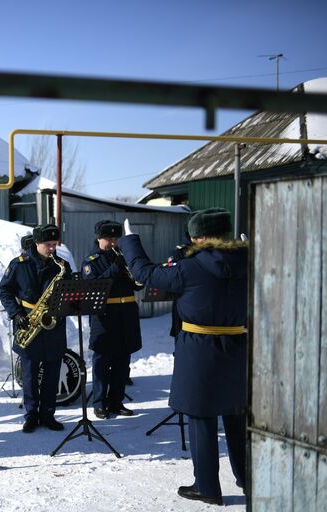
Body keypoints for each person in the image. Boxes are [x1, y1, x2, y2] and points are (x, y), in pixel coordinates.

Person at [118, 208, 246, 506]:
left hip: (200, 348)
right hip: (238, 345)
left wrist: (131, 240)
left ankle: (207, 487)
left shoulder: (189, 268)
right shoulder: (248, 260)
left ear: (198, 237)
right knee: (236, 416)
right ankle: (247, 477)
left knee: (201, 417)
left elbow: (144, 273)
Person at [0, 223, 72, 433]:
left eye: (54, 244)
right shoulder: (19, 264)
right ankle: (31, 415)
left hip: (53, 325)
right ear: (37, 243)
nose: (52, 249)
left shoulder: (62, 265)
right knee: (29, 374)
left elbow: (70, 292)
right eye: (47, 245)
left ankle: (48, 414)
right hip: (28, 322)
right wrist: (16, 313)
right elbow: (4, 290)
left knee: (52, 373)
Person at [82, 220, 142, 420]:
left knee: (122, 362)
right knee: (101, 362)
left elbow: (137, 285)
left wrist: (135, 270)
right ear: (99, 238)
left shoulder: (123, 257)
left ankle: (116, 402)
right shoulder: (91, 261)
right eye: (109, 239)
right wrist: (116, 268)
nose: (114, 243)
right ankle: (99, 403)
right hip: (104, 317)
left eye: (116, 239)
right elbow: (94, 288)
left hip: (126, 315)